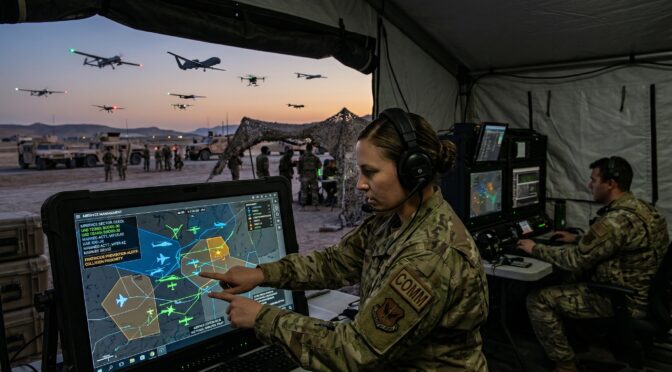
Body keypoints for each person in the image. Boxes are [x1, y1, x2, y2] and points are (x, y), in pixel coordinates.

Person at [200, 109, 489, 370]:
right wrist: (261, 274)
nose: (361, 184)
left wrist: (263, 318)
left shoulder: (429, 255)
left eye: (370, 172)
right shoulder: (393, 218)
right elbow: (335, 263)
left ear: (414, 170)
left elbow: (355, 351)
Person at [517, 156, 669, 372]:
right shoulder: (645, 210)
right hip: (644, 295)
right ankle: (586, 343)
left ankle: (565, 365)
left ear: (611, 184)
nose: (590, 185)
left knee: (538, 299)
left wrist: (534, 248)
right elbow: (618, 244)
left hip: (623, 300)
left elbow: (575, 259)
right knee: (569, 279)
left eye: (594, 180)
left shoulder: (614, 221)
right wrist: (577, 239)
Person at [298, 143, 322, 209]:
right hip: (313, 176)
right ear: (311, 149)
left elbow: (299, 168)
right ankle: (316, 206)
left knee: (303, 191)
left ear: (306, 149)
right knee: (314, 191)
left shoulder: (302, 157)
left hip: (304, 176)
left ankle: (303, 206)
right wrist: (319, 175)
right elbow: (319, 167)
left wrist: (300, 175)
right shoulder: (315, 157)